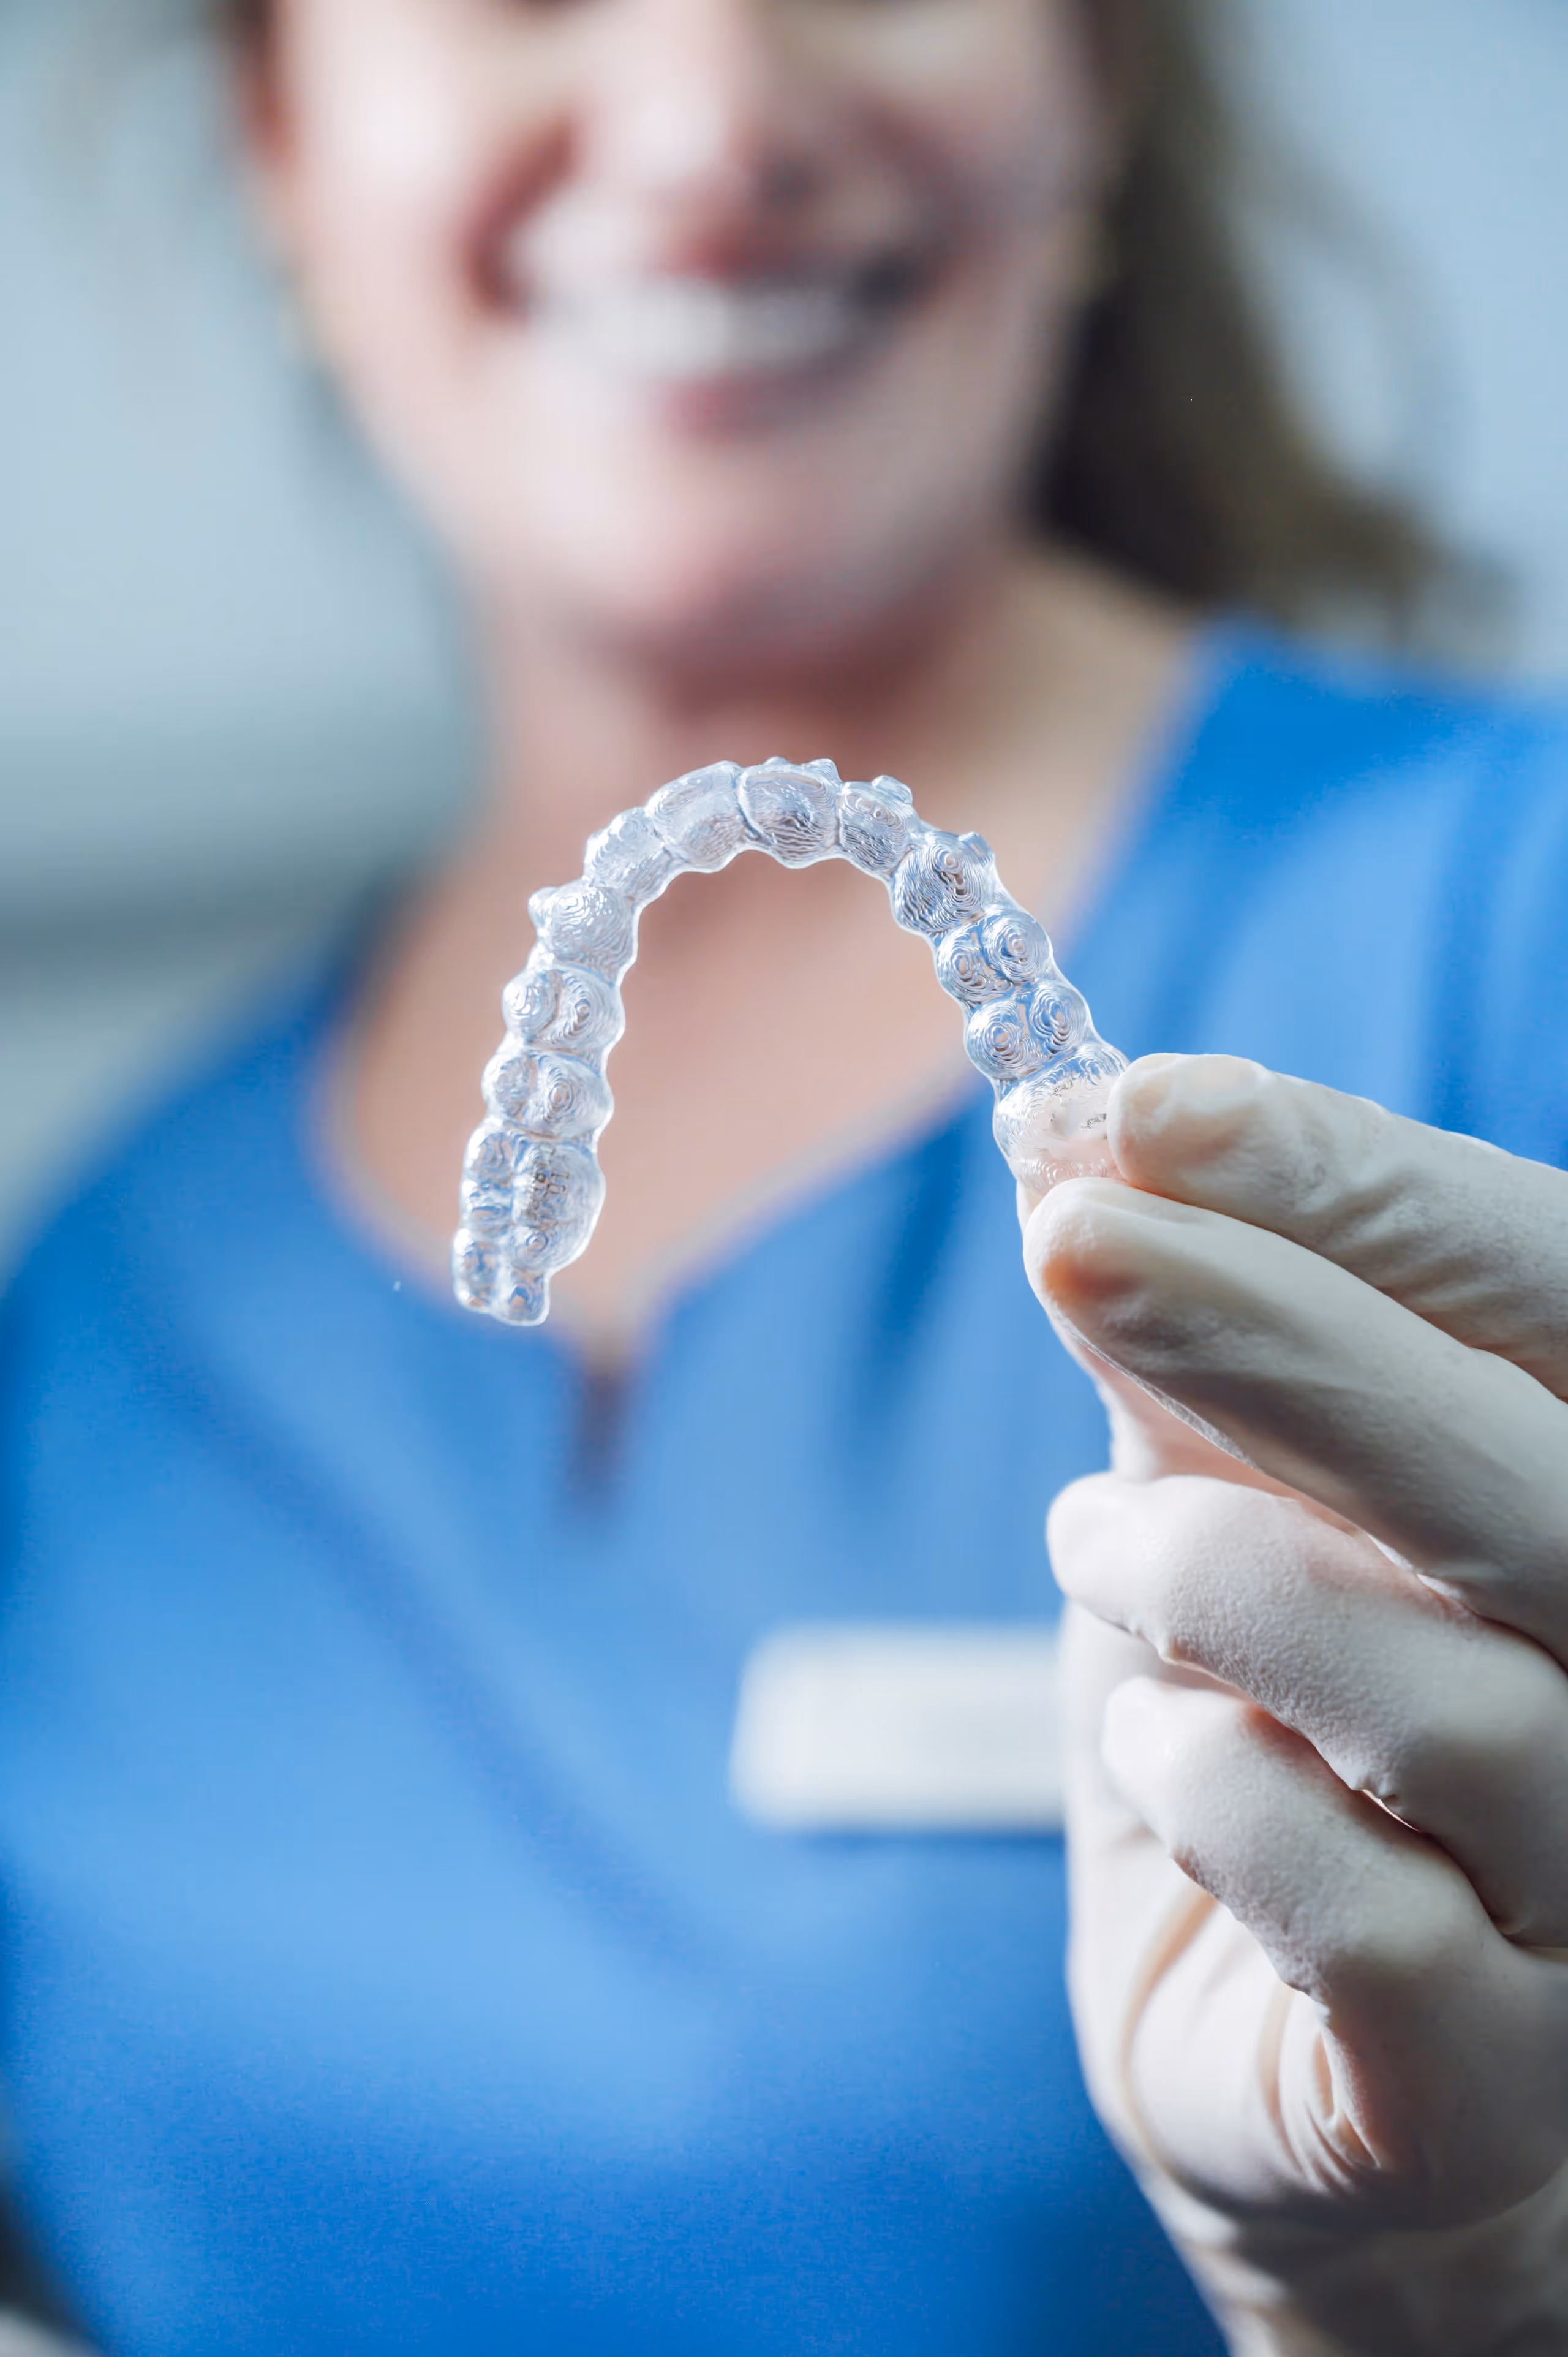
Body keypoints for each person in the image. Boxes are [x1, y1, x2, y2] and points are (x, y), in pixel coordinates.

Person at [2, 0, 1567, 2347]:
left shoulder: (1502, 945)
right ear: (278, 127)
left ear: (1097, 83)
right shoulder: (94, 1318)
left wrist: (1473, 2297)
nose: (711, 109)